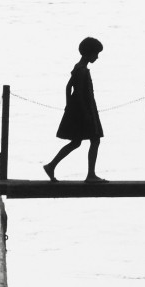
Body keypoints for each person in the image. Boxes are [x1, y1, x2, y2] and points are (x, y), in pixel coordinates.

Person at [43, 37, 106, 183]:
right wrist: (85, 114)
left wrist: (68, 105)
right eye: (96, 54)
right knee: (95, 140)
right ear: (89, 53)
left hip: (79, 109)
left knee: (76, 142)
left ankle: (51, 166)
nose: (97, 57)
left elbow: (68, 87)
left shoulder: (78, 67)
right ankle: (90, 175)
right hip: (85, 110)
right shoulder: (82, 71)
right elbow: (77, 93)